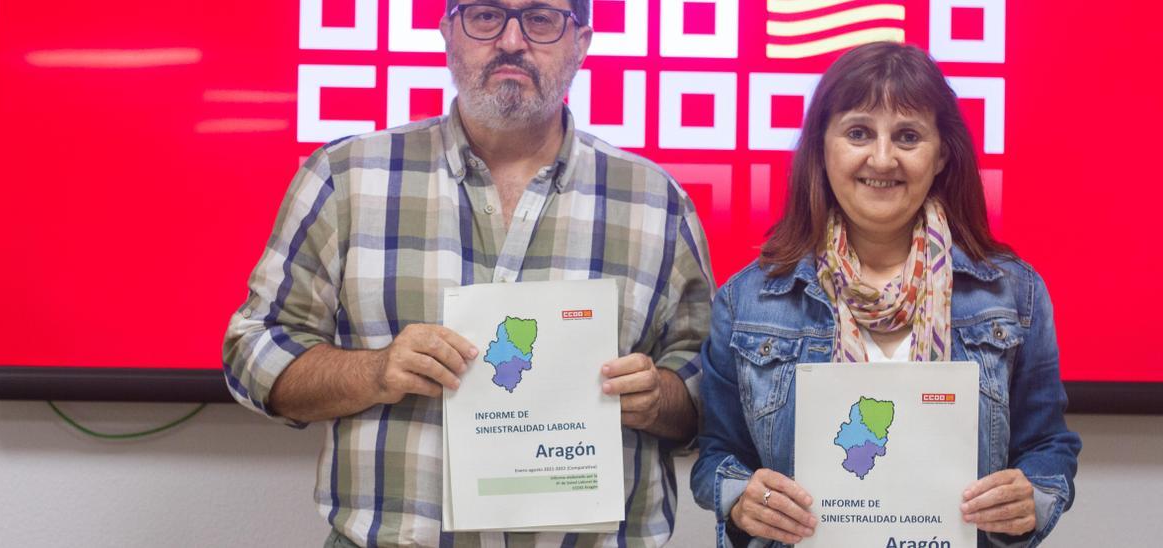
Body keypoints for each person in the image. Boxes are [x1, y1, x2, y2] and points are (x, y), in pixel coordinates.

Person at [223, 1, 714, 546]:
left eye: (542, 19)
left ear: (582, 43)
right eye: (485, 15)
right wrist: (376, 372)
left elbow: (708, 389)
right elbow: (252, 355)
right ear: (447, 31)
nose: (510, 40)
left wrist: (659, 398)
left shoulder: (657, 203)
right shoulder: (345, 178)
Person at [690, 42, 1081, 547]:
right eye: (857, 133)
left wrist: (1030, 497)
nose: (881, 157)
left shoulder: (1013, 294)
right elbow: (717, 455)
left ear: (941, 154)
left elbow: (1048, 447)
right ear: (822, 147)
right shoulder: (746, 301)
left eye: (908, 136)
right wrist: (743, 498)